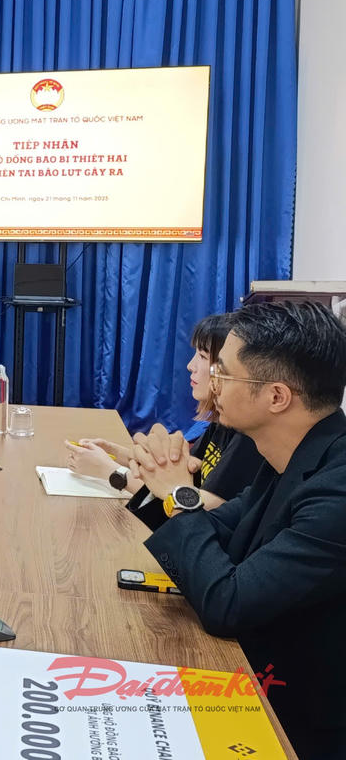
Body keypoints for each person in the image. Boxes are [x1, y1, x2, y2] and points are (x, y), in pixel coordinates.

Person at [132, 301, 346, 758]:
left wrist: (178, 494)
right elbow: (220, 532)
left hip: (297, 724)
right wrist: (161, 480)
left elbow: (228, 602)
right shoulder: (292, 455)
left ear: (276, 397)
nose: (212, 383)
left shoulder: (337, 490)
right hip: (255, 678)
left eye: (223, 374)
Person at [64, 312, 265, 529]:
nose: (190, 366)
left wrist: (111, 471)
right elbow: (181, 476)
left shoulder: (248, 438)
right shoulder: (220, 424)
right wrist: (120, 455)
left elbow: (195, 504)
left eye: (203, 356)